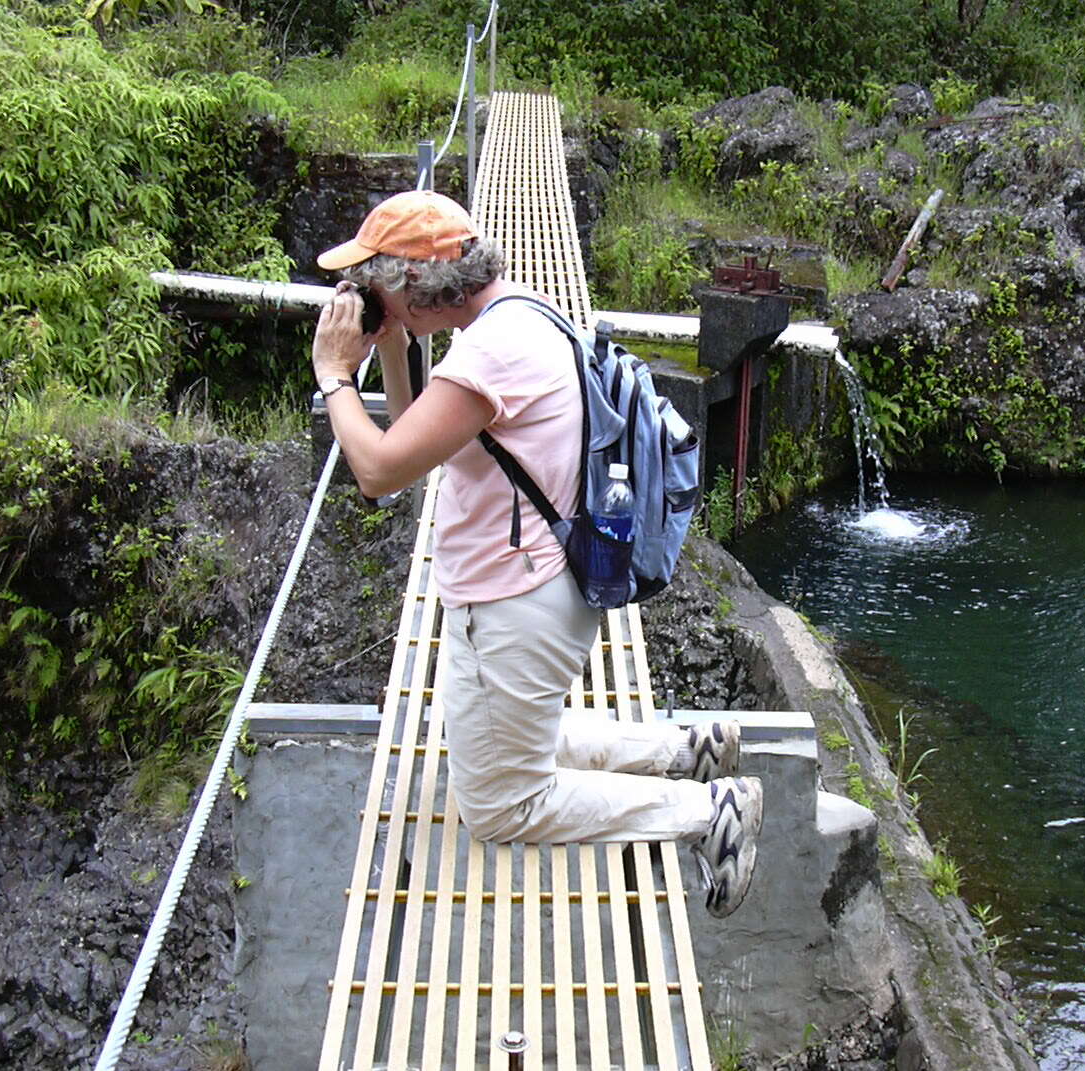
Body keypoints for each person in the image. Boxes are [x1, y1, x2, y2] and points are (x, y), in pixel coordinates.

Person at [309, 189, 763, 917]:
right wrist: (394, 345)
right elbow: (418, 444)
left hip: (514, 600)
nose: (367, 298)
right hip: (527, 585)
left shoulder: (491, 353)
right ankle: (689, 748)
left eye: (377, 285)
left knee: (502, 804)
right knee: (515, 737)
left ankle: (710, 812)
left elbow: (379, 471)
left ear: (415, 285)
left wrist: (335, 376)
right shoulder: (517, 309)